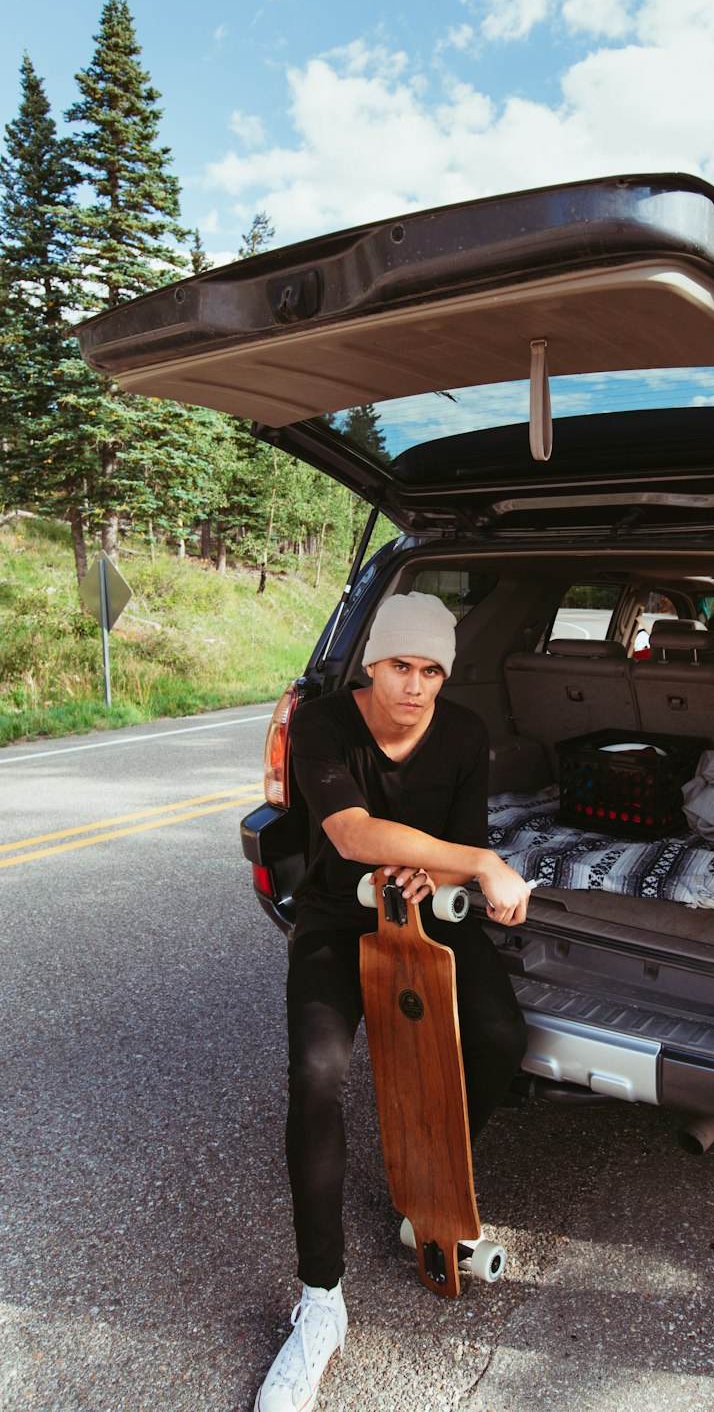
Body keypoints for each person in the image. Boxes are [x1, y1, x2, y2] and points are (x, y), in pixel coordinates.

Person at [255, 591, 531, 1412]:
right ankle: (320, 1304)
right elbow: (350, 833)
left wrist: (442, 871)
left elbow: (455, 843)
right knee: (317, 1074)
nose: (415, 686)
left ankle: (432, 1186)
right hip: (340, 921)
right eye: (400, 666)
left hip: (429, 915)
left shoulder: (465, 733)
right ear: (372, 663)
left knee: (498, 1038)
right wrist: (477, 863)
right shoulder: (324, 725)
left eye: (432, 670)